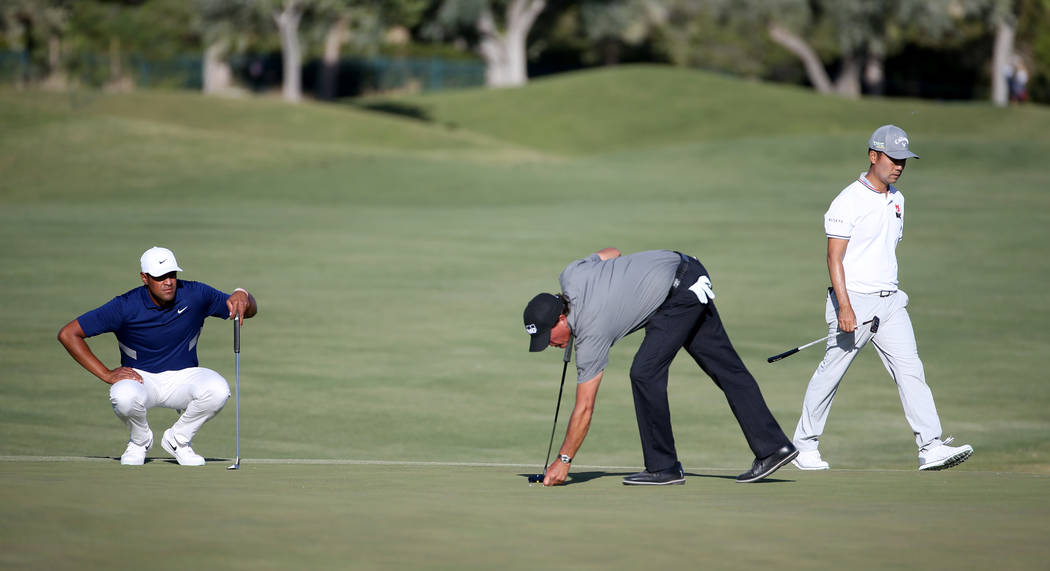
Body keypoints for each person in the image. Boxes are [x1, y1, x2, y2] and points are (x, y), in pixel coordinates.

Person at [523, 248, 797, 486]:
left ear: (561, 318)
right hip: (690, 272)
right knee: (727, 369)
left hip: (677, 296)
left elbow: (584, 408)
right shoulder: (571, 274)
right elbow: (612, 252)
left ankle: (663, 467)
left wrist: (564, 460)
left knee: (644, 373)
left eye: (548, 337)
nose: (549, 344)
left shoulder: (592, 332)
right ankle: (774, 448)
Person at [791, 125, 973, 472]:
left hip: (891, 302)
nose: (899, 166)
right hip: (854, 302)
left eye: (904, 160)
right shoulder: (848, 200)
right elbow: (834, 258)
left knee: (911, 371)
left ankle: (930, 446)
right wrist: (844, 306)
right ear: (873, 156)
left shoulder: (898, 199)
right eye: (893, 159)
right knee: (831, 373)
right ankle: (804, 445)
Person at [57, 246, 258, 466]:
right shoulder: (124, 306)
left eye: (172, 274)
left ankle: (178, 440)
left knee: (218, 390)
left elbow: (246, 310)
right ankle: (140, 441)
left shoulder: (195, 294)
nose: (168, 281)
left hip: (184, 377)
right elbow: (69, 334)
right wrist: (105, 374)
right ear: (145, 278)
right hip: (141, 379)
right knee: (122, 396)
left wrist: (243, 295)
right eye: (160, 277)